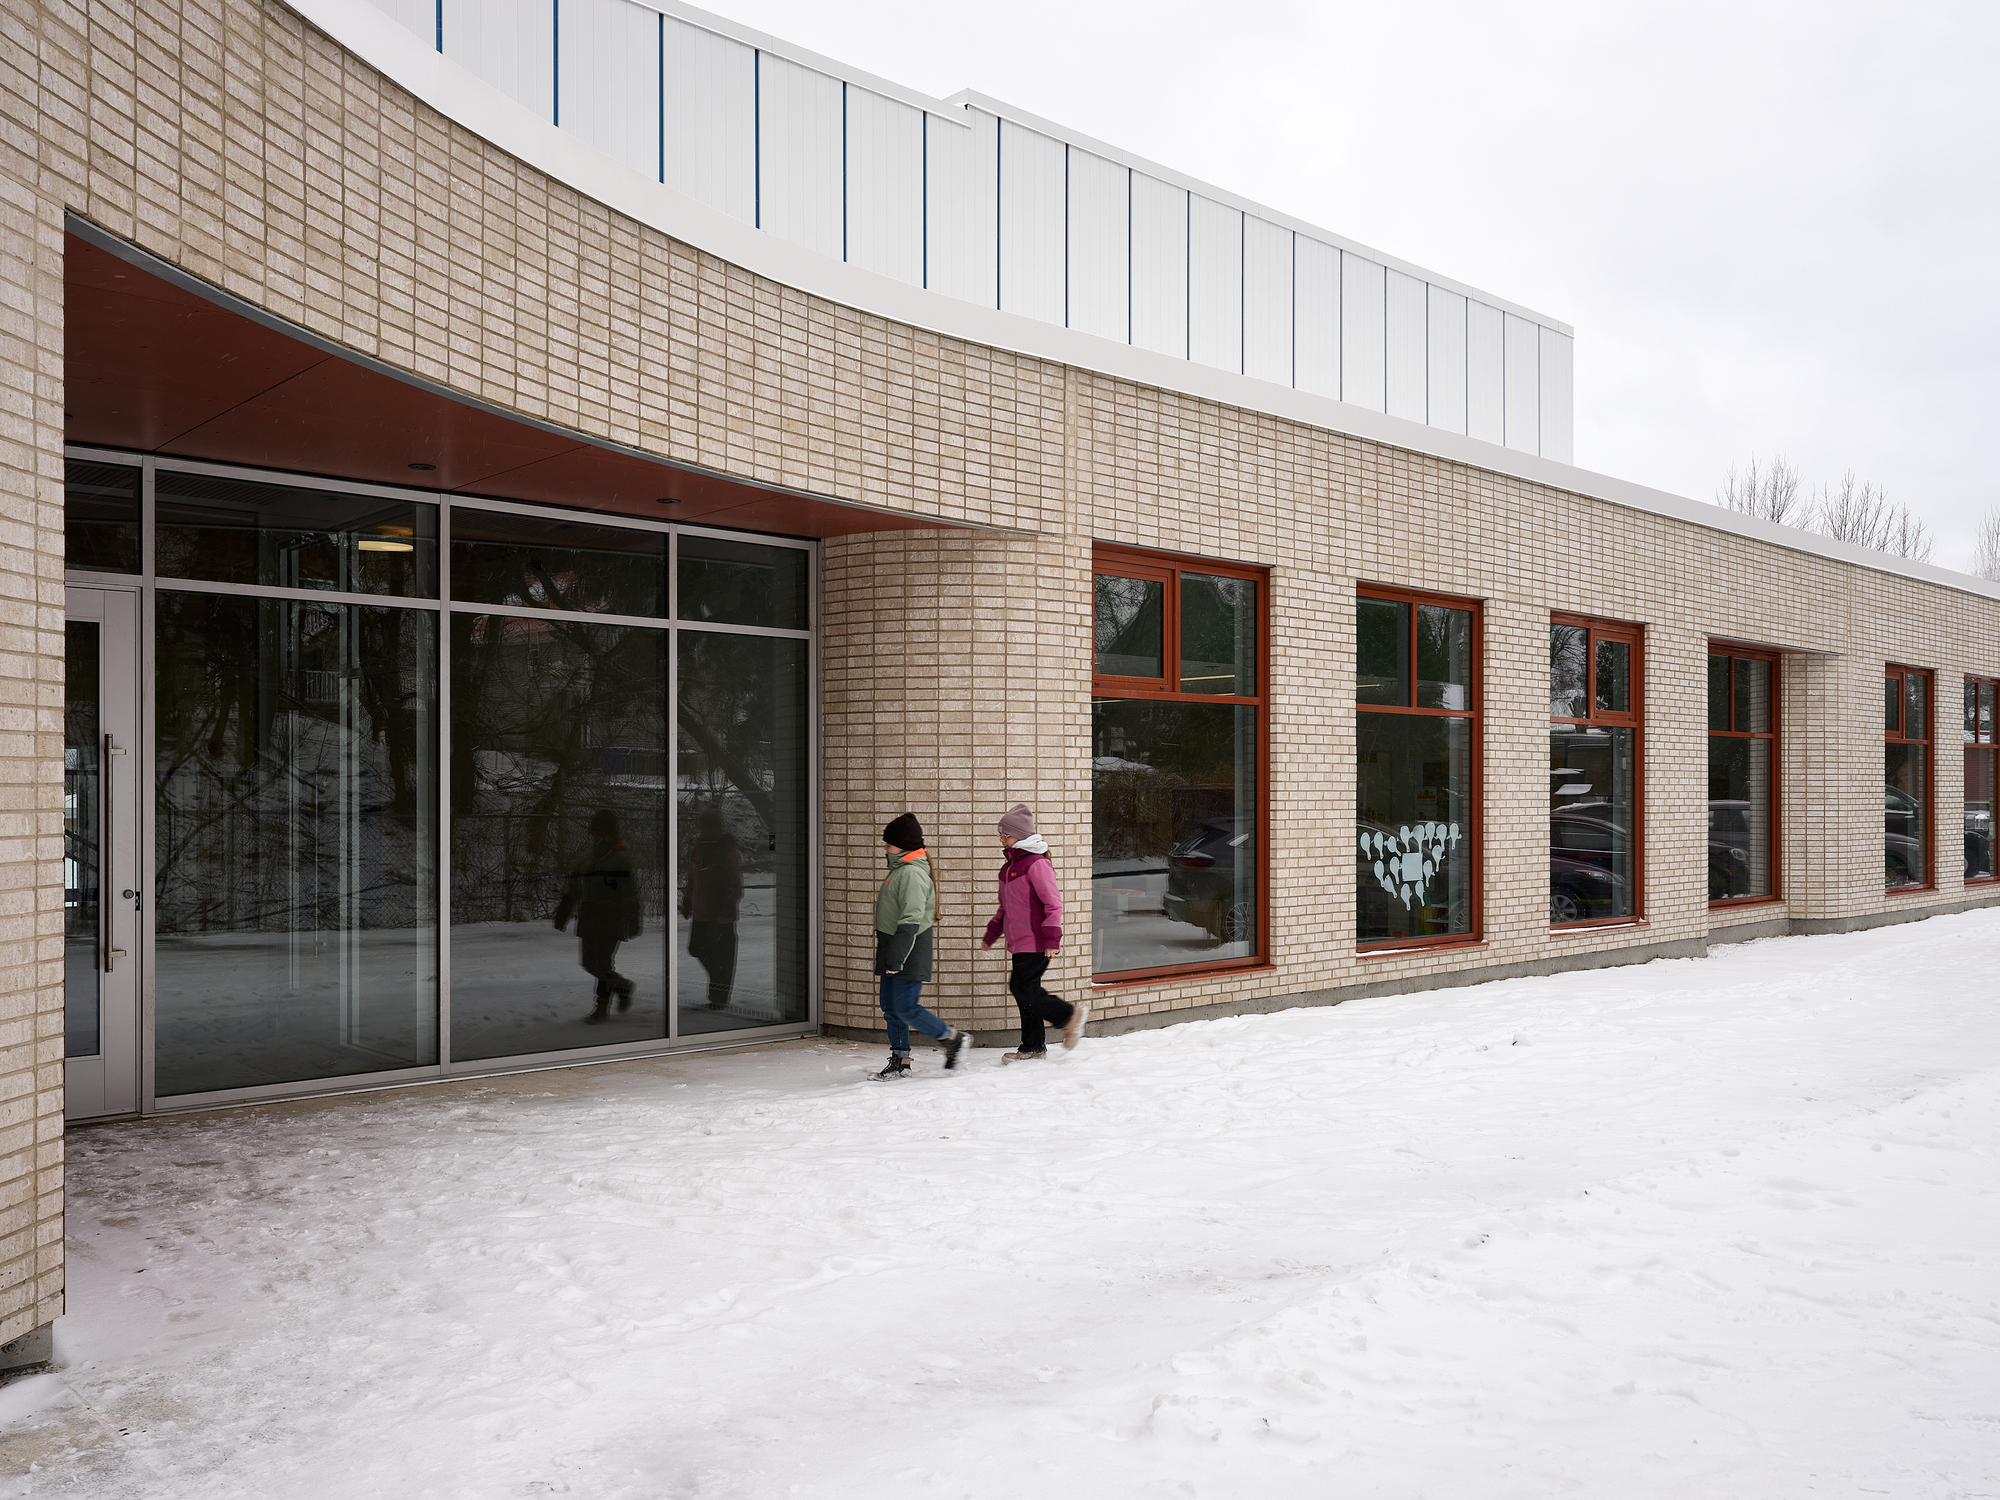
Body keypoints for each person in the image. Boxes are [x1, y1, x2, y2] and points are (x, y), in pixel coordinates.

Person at [982, 803, 1088, 1061]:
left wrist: (1052, 940)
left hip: (1037, 941)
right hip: (1018, 943)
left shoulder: (1036, 864)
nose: (1002, 838)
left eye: (1005, 834)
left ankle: (1068, 1016)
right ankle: (1033, 1047)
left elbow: (1053, 903)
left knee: (1022, 988)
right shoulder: (1008, 868)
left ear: (1020, 835)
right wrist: (991, 934)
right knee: (1025, 992)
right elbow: (1005, 908)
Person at [872, 812, 969, 1080]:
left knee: (905, 1008)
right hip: (895, 948)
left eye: (888, 843)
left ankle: (951, 1037)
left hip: (908, 951)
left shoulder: (912, 874)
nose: (884, 848)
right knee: (891, 1007)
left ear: (902, 845)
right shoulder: (901, 871)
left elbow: (911, 920)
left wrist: (896, 959)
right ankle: (900, 1060)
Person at [553, 808, 643, 1024]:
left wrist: (631, 919)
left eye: (603, 832)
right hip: (588, 916)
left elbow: (630, 893)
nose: (598, 836)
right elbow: (573, 887)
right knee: (588, 963)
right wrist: (564, 910)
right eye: (595, 832)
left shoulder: (621, 861)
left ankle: (601, 1008)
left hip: (611, 917)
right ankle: (622, 986)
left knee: (602, 963)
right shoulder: (584, 859)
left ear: (613, 835)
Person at [680, 805, 743, 1009]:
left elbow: (735, 883)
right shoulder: (698, 851)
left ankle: (718, 999)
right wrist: (687, 900)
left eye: (709, 826)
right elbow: (691, 879)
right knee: (697, 948)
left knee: (722, 957)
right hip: (701, 914)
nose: (705, 830)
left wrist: (726, 908)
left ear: (717, 828)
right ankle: (718, 987)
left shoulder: (725, 852)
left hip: (720, 916)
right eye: (703, 826)